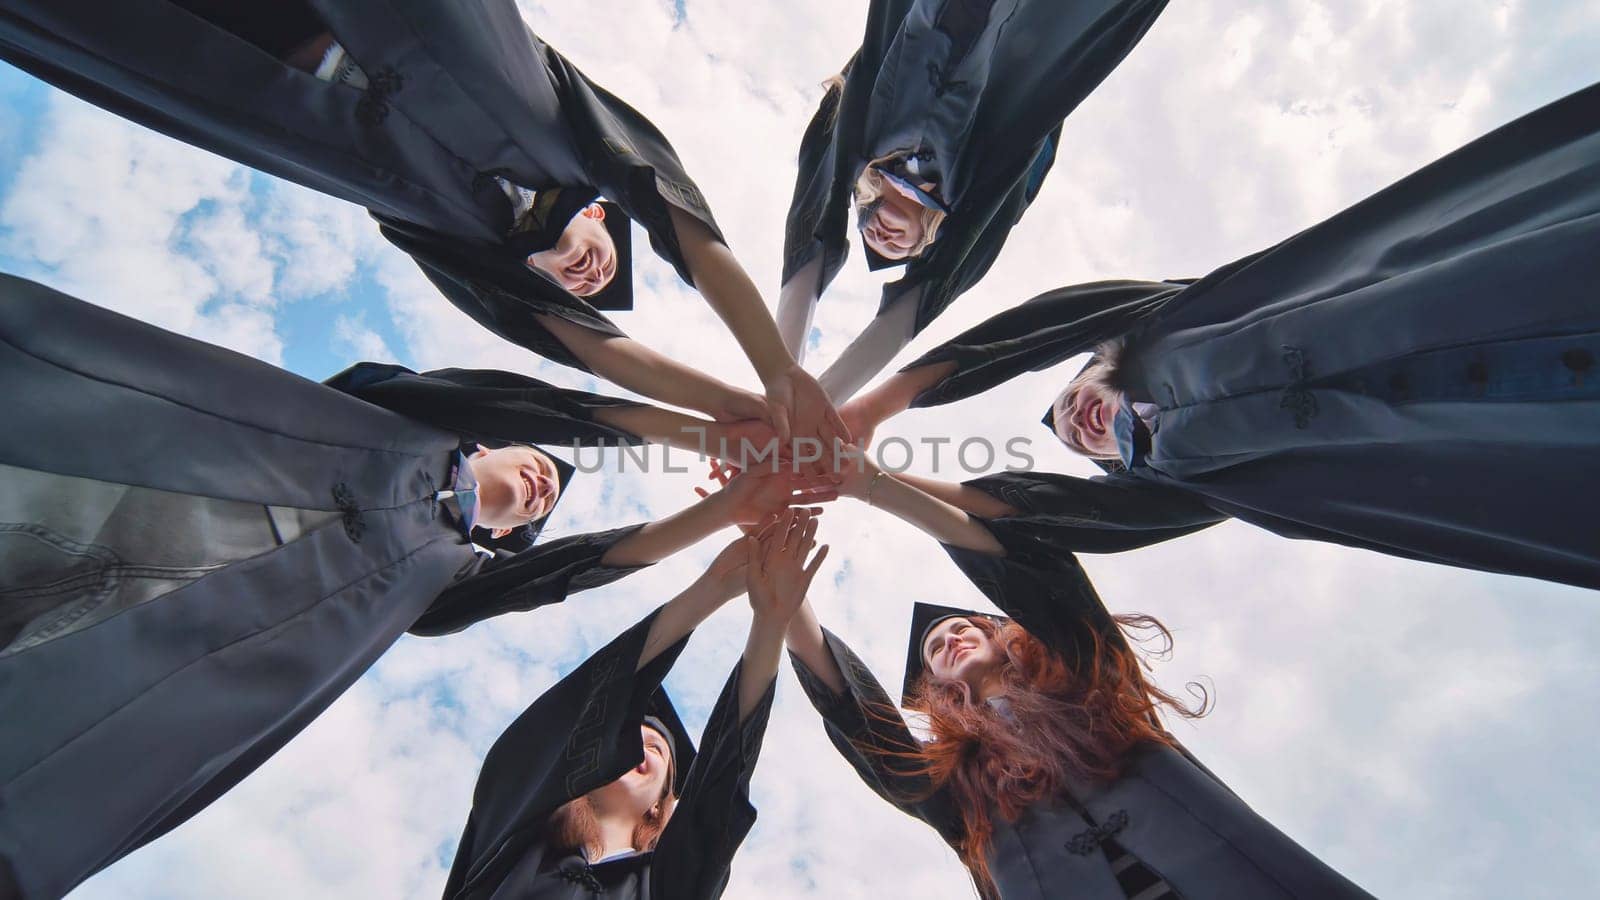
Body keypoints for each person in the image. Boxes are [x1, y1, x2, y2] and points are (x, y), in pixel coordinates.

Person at [0, 274, 830, 899]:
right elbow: (530, 407)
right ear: (492, 438)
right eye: (532, 460)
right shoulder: (400, 422)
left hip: (163, 648)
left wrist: (730, 564)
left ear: (500, 546)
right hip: (133, 483)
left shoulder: (434, 584)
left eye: (533, 510)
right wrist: (710, 448)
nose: (541, 482)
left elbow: (563, 580)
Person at [837, 81, 1600, 591]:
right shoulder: (1186, 484)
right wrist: (868, 481)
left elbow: (1048, 322)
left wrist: (883, 403)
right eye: (1078, 442)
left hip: (1498, 285)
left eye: (1069, 402)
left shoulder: (1173, 319)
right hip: (1519, 441)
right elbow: (1041, 515)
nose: (1075, 422)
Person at [0, 0, 848, 450]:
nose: (591, 272)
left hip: (232, 54)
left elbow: (595, 350)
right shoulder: (565, 126)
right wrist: (778, 370)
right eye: (601, 250)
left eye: (576, 281)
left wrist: (731, 413)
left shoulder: (453, 242)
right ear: (601, 212)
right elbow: (681, 220)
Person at [782, 456, 1375, 899]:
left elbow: (1046, 583)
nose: (950, 640)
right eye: (936, 648)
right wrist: (784, 601)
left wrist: (869, 483)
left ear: (1001, 634)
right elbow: (859, 721)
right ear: (935, 685)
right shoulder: (955, 786)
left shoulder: (1088, 683)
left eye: (964, 628)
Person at [777, 0, 1171, 401]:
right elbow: (925, 296)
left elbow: (815, 204)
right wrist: (819, 401)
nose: (878, 232)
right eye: (905, 248)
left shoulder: (869, 127)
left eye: (867, 221)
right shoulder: (983, 171)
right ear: (939, 239)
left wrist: (781, 374)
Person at [441, 508, 829, 899]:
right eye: (624, 739)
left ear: (660, 805)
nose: (638, 746)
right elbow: (568, 715)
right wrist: (711, 588)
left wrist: (771, 622)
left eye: (656, 748)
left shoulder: (666, 888)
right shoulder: (510, 836)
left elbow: (720, 791)